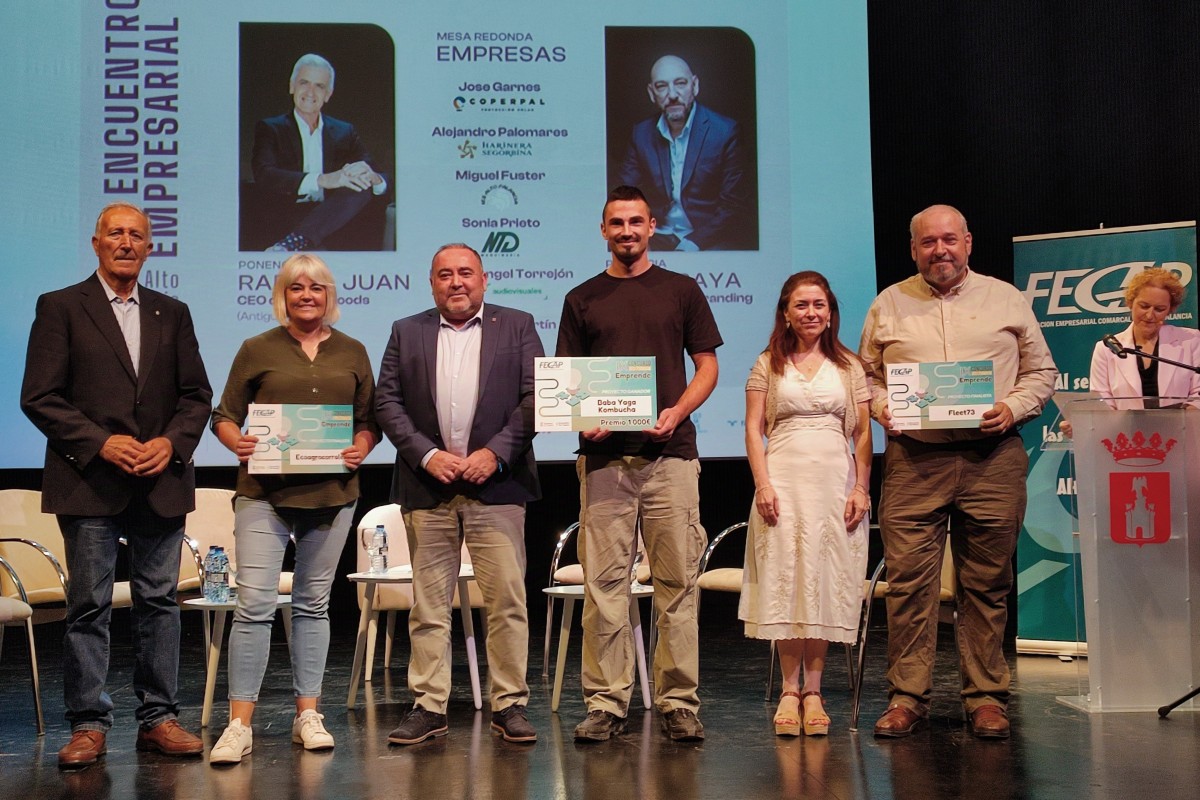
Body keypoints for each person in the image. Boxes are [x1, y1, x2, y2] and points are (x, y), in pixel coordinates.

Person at [20, 202, 213, 768]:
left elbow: (195, 395)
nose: (126, 242)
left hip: (160, 479)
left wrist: (172, 444)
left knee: (159, 603)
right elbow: (40, 396)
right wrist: (101, 442)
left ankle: (159, 719)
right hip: (89, 481)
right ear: (96, 243)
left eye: (137, 235)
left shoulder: (171, 312)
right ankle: (88, 723)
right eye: (115, 234)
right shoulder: (60, 307)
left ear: (150, 247)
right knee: (88, 606)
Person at [858, 204, 1057, 740]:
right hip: (913, 461)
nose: (939, 251)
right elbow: (866, 379)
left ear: (967, 242)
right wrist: (882, 408)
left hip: (991, 458)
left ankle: (986, 697)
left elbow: (1043, 372)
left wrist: (1012, 408)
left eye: (949, 240)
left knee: (986, 584)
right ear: (914, 249)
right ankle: (907, 697)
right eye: (928, 243)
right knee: (908, 586)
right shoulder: (889, 303)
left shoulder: (1005, 298)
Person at [556, 185, 723, 742]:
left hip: (669, 457)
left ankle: (679, 702)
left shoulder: (681, 289)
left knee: (678, 583)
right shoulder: (581, 299)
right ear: (603, 230)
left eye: (635, 222)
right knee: (605, 587)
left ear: (652, 226)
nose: (626, 231)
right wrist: (584, 418)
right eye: (616, 223)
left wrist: (677, 411)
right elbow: (567, 385)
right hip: (604, 461)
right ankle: (606, 702)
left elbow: (706, 367)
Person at [208, 253, 378, 764]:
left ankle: (309, 714)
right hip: (263, 495)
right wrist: (235, 441)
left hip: (332, 496)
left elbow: (369, 420)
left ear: (330, 296)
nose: (307, 295)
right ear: (284, 295)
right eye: (297, 287)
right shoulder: (256, 348)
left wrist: (362, 446)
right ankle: (239, 724)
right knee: (254, 605)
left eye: (317, 288)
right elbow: (224, 415)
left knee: (313, 605)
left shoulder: (353, 350)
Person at [376, 243, 543, 745]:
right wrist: (428, 455)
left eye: (465, 273)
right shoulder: (408, 331)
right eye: (445, 274)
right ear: (432, 283)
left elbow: (538, 395)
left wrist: (495, 453)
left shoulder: (516, 325)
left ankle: (508, 704)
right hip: (429, 488)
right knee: (428, 606)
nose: (456, 282)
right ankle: (429, 705)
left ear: (484, 279)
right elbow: (386, 400)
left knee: (507, 603)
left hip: (498, 485)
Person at [741, 271, 871, 737]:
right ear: (786, 312)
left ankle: (815, 691)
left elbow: (862, 433)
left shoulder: (851, 366)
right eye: (801, 305)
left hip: (836, 484)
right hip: (783, 482)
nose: (811, 312)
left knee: (824, 582)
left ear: (831, 311)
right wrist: (762, 484)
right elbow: (754, 429)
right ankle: (788, 691)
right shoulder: (766, 364)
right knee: (787, 580)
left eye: (819, 304)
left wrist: (860, 488)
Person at [250, 53, 389, 251]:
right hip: (286, 215)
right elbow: (265, 175)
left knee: (362, 186)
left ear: (328, 94)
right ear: (292, 86)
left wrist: (373, 177)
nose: (310, 92)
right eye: (304, 82)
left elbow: (381, 175)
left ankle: (296, 242)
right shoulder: (270, 128)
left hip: (333, 215)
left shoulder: (344, 131)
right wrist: (323, 179)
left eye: (319, 86)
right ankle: (298, 239)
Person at [616, 55, 750, 251]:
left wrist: (695, 243)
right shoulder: (641, 133)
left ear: (694, 86)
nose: (672, 94)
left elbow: (733, 205)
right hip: (656, 237)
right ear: (652, 93)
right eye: (662, 86)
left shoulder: (725, 131)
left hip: (706, 238)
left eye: (680, 83)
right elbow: (624, 196)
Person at [1088, 268, 1200, 408]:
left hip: (1180, 429)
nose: (1149, 315)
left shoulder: (1191, 340)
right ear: (1130, 302)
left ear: (1170, 310)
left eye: (1159, 309)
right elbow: (1101, 405)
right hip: (1125, 430)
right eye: (1144, 306)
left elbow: (1197, 396)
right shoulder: (1106, 349)